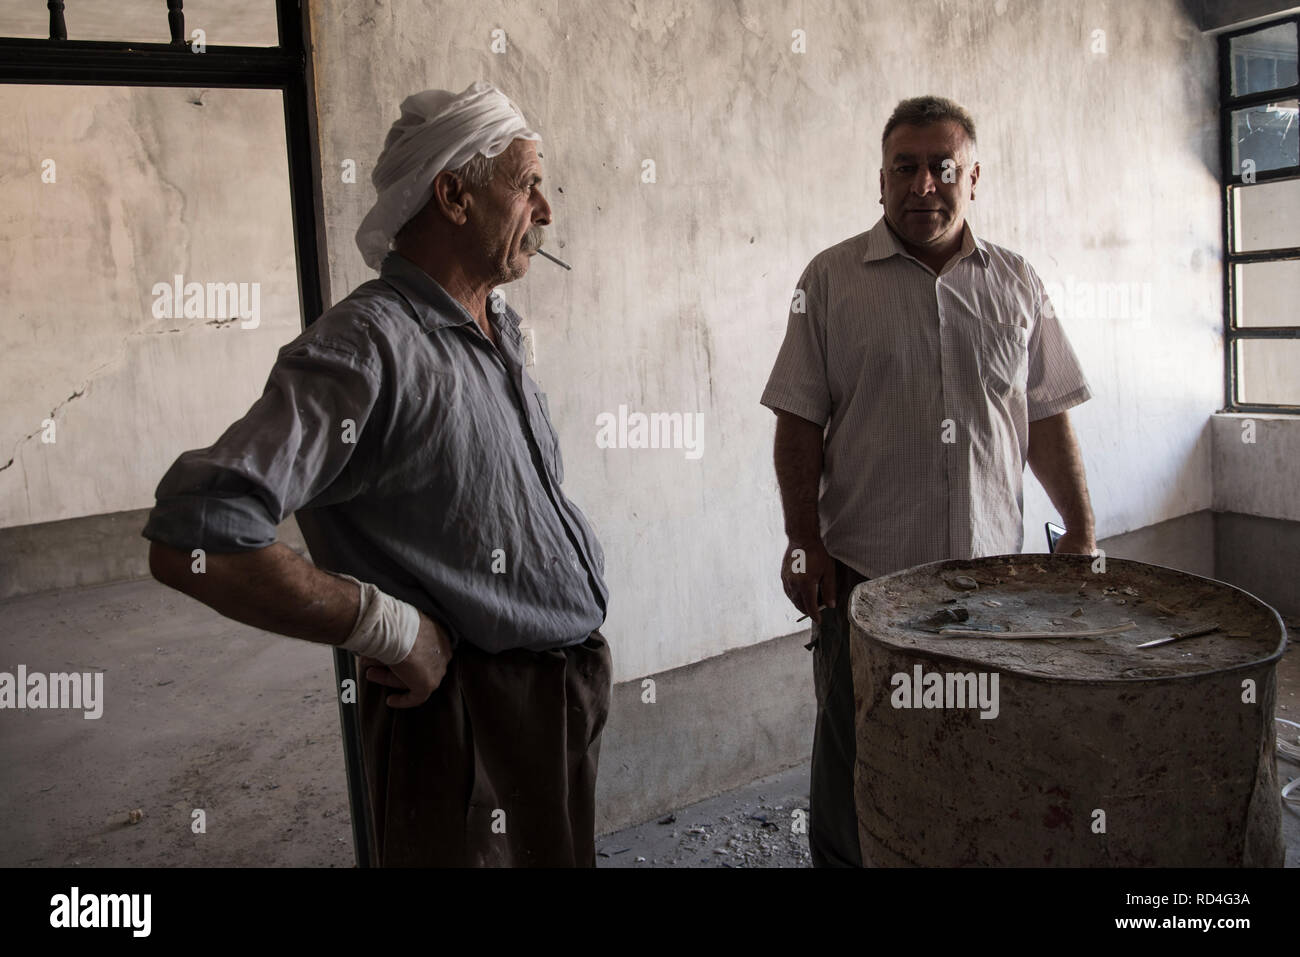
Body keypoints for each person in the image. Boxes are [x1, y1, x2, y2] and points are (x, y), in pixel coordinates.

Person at [144, 81, 612, 867]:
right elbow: (198, 533)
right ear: (454, 195)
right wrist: (389, 627)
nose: (546, 209)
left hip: (553, 706)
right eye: (527, 181)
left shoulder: (494, 327)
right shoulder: (369, 346)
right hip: (467, 725)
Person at [760, 95, 1096, 867]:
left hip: (989, 587)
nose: (923, 186)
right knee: (857, 768)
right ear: (879, 181)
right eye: (903, 168)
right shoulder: (831, 280)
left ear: (973, 177)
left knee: (977, 760)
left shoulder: (1015, 283)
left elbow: (1044, 416)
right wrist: (802, 540)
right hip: (863, 586)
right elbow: (799, 420)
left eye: (942, 168)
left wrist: (1079, 527)